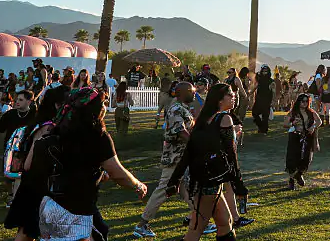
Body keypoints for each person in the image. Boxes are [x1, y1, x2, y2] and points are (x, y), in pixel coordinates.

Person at [34, 88, 148, 240]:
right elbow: (117, 173)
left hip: (49, 204)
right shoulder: (97, 136)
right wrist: (138, 185)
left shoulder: (56, 130)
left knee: (100, 230)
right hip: (75, 209)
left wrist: (99, 174)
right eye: (102, 104)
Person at [166, 83, 247, 241]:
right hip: (208, 183)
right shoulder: (224, 119)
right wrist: (239, 185)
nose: (234, 96)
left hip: (203, 181)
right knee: (195, 230)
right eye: (230, 94)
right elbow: (231, 155)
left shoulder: (203, 119)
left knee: (225, 223)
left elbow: (189, 153)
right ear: (219, 100)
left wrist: (174, 180)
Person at [3, 85, 69, 239]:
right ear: (57, 105)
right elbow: (29, 163)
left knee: (28, 231)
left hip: (35, 185)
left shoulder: (44, 123)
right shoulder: (47, 128)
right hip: (36, 187)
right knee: (27, 232)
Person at [134, 82, 199, 238]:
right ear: (180, 93)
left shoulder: (182, 108)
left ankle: (200, 219)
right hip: (175, 157)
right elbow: (181, 132)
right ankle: (142, 225)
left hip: (182, 156)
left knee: (186, 190)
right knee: (164, 189)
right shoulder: (176, 109)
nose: (194, 92)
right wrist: (197, 146)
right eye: (191, 90)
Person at [0, 89, 35, 205]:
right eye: (16, 100)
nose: (17, 102)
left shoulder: (35, 115)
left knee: (21, 176)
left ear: (29, 101)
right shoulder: (9, 115)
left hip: (27, 151)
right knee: (8, 177)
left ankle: (16, 199)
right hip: (10, 150)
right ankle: (11, 195)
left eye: (20, 100)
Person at [285, 92, 322, 189]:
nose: (305, 103)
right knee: (293, 159)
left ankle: (299, 174)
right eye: (303, 101)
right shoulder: (293, 112)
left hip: (307, 137)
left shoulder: (311, 112)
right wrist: (292, 123)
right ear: (298, 102)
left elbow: (319, 121)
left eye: (306, 101)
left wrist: (313, 127)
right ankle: (291, 180)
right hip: (295, 137)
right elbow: (285, 124)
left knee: (307, 158)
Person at [252, 65, 275, 134]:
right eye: (263, 71)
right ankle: (261, 126)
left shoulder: (271, 81)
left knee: (265, 116)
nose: (265, 72)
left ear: (268, 72)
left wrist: (274, 101)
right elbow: (255, 87)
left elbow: (273, 91)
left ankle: (264, 130)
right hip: (258, 99)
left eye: (266, 71)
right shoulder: (259, 79)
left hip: (267, 100)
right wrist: (249, 94)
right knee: (254, 113)